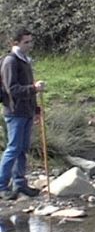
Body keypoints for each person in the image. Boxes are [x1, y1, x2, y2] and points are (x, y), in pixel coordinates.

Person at [0, 28, 46, 200]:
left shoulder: (25, 60)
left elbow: (28, 87)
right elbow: (12, 89)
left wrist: (36, 110)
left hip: (26, 110)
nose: (30, 45)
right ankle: (2, 185)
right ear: (15, 43)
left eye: (30, 41)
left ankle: (20, 183)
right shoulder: (10, 62)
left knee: (22, 149)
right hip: (14, 111)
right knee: (13, 148)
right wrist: (34, 88)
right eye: (26, 42)